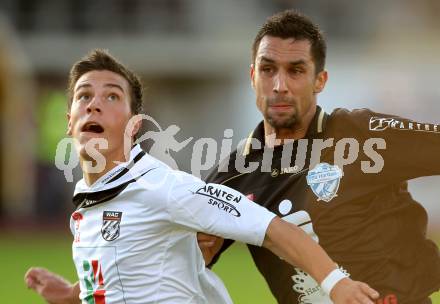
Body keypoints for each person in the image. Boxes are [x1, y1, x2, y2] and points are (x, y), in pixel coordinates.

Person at [24, 49, 379, 304]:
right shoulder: (87, 203)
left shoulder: (164, 188)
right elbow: (122, 275)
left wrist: (336, 284)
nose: (93, 104)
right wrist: (71, 294)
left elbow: (270, 228)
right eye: (83, 96)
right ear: (69, 120)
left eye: (112, 96)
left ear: (134, 125)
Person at [202, 10, 440, 304]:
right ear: (253, 76)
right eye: (268, 69)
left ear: (320, 80)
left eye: (296, 70)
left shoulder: (362, 134)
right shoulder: (233, 176)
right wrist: (198, 248)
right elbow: (184, 256)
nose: (279, 85)